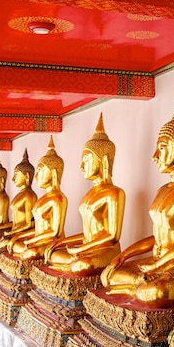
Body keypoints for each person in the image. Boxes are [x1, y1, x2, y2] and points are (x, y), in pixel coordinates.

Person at [100, 88, 174, 307]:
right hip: (157, 261)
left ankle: (139, 286)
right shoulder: (162, 190)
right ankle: (136, 284)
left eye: (162, 148)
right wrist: (123, 256)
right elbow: (157, 237)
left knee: (156, 291)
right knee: (108, 274)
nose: (155, 156)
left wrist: (155, 267)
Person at [45, 113, 125, 275]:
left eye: (86, 160)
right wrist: (60, 243)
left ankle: (70, 267)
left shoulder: (114, 193)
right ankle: (69, 265)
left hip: (105, 250)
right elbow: (88, 234)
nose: (81, 166)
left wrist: (82, 248)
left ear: (102, 161)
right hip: (88, 247)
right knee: (54, 254)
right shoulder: (89, 193)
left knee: (82, 264)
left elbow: (112, 236)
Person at [7, 137, 67, 260]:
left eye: (40, 171)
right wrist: (18, 238)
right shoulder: (42, 198)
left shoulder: (58, 198)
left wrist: (30, 241)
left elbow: (55, 232)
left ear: (53, 173)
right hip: (39, 239)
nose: (37, 176)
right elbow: (38, 228)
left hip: (51, 242)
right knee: (18, 246)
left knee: (29, 252)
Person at [0, 150, 38, 247]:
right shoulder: (19, 195)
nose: (13, 178)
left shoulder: (29, 196)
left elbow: (30, 224)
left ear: (26, 176)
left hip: (23, 234)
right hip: (14, 232)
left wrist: (12, 234)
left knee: (3, 243)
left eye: (16, 175)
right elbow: (14, 222)